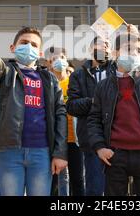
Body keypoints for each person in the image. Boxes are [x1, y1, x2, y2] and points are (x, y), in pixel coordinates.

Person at [0, 0, 68, 196]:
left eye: (33, 44)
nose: (28, 47)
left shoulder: (50, 79)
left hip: (42, 153)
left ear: (40, 52)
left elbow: (60, 115)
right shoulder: (5, 74)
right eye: (24, 43)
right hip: (9, 152)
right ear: (13, 48)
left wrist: (60, 153)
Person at [87, 29, 140, 196]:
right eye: (128, 48)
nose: (134, 53)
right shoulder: (103, 86)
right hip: (114, 155)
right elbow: (94, 120)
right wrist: (99, 147)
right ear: (115, 53)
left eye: (139, 50)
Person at [67, 36, 117, 196]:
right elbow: (72, 106)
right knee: (94, 188)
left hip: (118, 137)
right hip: (91, 140)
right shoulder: (77, 75)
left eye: (107, 45)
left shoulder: (119, 70)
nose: (104, 48)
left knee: (117, 189)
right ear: (90, 49)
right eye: (99, 45)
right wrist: (94, 102)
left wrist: (134, 36)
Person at [46, 47, 84, 196]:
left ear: (66, 60)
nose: (59, 61)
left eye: (61, 57)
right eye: (54, 58)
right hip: (55, 139)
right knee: (53, 181)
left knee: (77, 180)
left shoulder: (74, 82)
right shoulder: (47, 83)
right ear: (48, 62)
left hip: (74, 139)